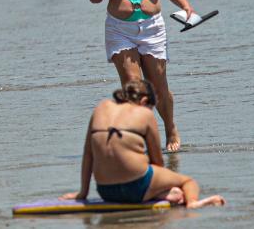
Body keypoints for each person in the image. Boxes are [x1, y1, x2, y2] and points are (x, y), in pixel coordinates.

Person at [88, 0, 196, 152]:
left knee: (159, 87)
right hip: (120, 29)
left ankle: (170, 127)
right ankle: (144, 135)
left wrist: (186, 6)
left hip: (152, 28)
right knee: (133, 86)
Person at [61, 81, 226, 208]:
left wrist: (83, 193)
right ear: (145, 101)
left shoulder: (101, 107)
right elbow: (157, 162)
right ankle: (192, 203)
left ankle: (165, 193)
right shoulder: (144, 113)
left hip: (105, 190)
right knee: (188, 182)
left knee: (163, 185)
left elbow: (88, 153)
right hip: (136, 187)